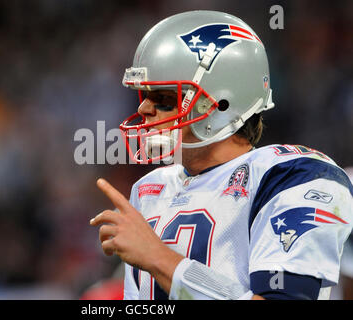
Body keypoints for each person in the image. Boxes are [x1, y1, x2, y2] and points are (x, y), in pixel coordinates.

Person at [90, 10, 353, 300]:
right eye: (145, 95)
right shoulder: (149, 189)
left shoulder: (293, 177)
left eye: (164, 98)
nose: (143, 110)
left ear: (221, 103)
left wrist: (157, 257)